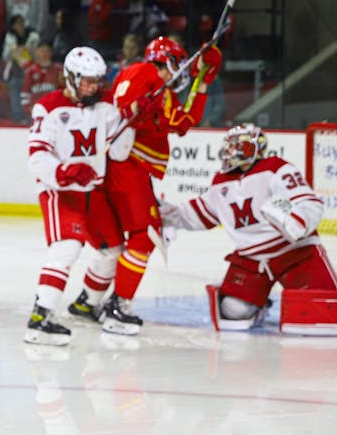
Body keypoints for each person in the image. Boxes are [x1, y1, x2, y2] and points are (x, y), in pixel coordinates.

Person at [69, 36, 222, 334]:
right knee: (143, 237)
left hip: (129, 169)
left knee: (117, 246)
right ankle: (119, 308)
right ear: (165, 59)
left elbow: (184, 121)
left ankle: (88, 301)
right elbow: (126, 107)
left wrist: (203, 81)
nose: (180, 70)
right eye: (178, 63)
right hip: (125, 167)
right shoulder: (144, 72)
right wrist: (138, 106)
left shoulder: (160, 90)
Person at [161, 124, 336, 329]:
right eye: (229, 145)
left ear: (254, 148)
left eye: (237, 145)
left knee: (323, 309)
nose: (230, 150)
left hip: (295, 253)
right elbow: (196, 215)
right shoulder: (220, 182)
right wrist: (163, 213)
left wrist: (299, 222)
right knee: (232, 311)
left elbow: (309, 203)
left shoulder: (276, 168)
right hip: (252, 260)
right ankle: (259, 305)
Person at [24, 47, 132, 345]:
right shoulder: (47, 108)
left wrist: (132, 119)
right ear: (70, 78)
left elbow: (120, 151)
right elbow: (36, 158)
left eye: (97, 80)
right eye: (87, 81)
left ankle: (88, 302)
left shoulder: (107, 106)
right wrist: (66, 172)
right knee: (67, 246)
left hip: (92, 191)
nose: (93, 87)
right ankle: (40, 316)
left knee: (112, 249)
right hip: (61, 191)